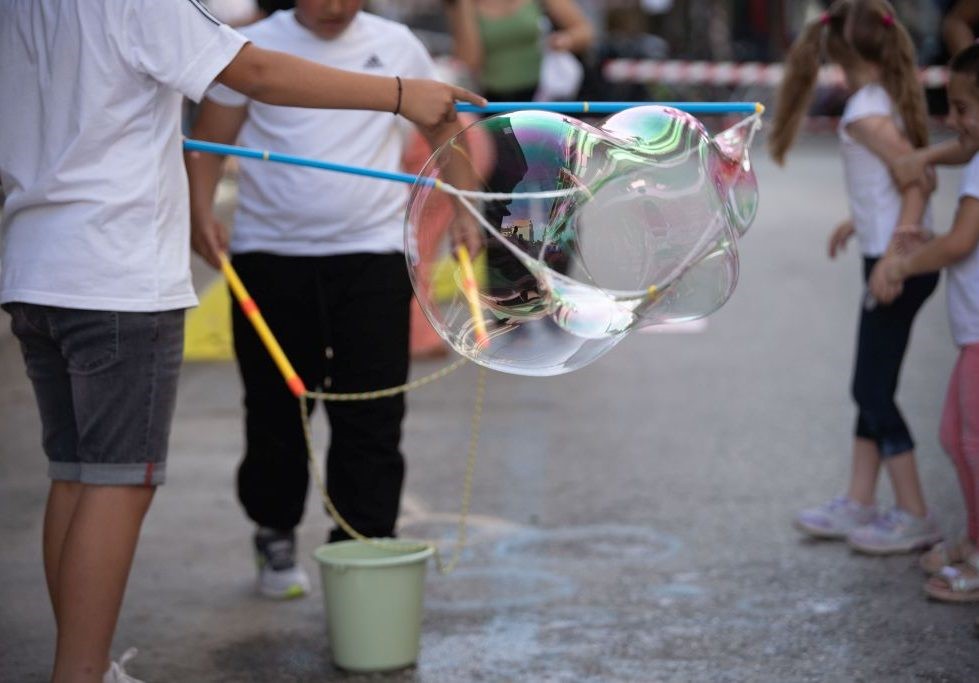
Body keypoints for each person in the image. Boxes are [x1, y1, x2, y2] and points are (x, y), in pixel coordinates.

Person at [0, 1, 483, 680]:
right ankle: (82, 670)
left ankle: (83, 664)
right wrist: (403, 95)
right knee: (117, 481)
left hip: (38, 263)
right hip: (116, 268)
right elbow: (252, 73)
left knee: (78, 475)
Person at [186, 0, 483, 600]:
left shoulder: (397, 44)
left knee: (371, 410)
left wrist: (464, 205)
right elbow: (210, 143)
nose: (333, 6)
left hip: (372, 256)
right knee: (275, 407)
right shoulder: (250, 50)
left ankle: (365, 545)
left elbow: (443, 126)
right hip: (270, 256)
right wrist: (199, 210)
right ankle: (274, 528)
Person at [768, 0, 943, 555]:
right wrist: (860, 219)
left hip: (897, 266)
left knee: (869, 387)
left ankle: (915, 513)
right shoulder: (880, 99)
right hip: (889, 256)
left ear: (838, 58)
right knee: (874, 379)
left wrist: (896, 252)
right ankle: (860, 499)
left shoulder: (865, 114)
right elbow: (896, 181)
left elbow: (919, 181)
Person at [870, 43, 979, 601]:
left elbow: (963, 242)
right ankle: (973, 538)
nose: (953, 120)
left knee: (970, 442)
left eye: (963, 108)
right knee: (956, 439)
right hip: (972, 336)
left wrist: (907, 262)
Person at [443, 0, 595, 103]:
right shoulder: (464, 6)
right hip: (495, 102)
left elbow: (585, 31)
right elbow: (469, 61)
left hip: (544, 96)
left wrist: (565, 40)